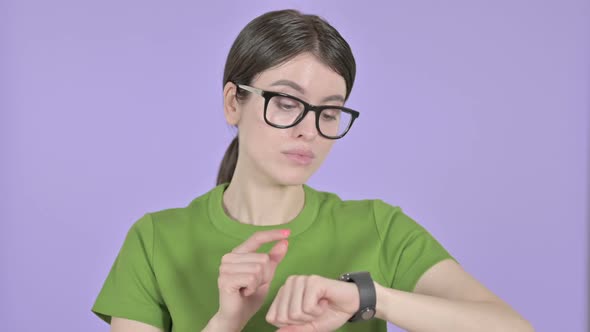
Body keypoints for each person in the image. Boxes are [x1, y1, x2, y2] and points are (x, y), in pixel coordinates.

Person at [92, 9, 533, 332]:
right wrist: (227, 322)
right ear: (233, 102)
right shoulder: (154, 240)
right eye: (286, 103)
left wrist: (368, 297)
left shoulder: (379, 227)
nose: (310, 130)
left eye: (329, 112)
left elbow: (510, 327)